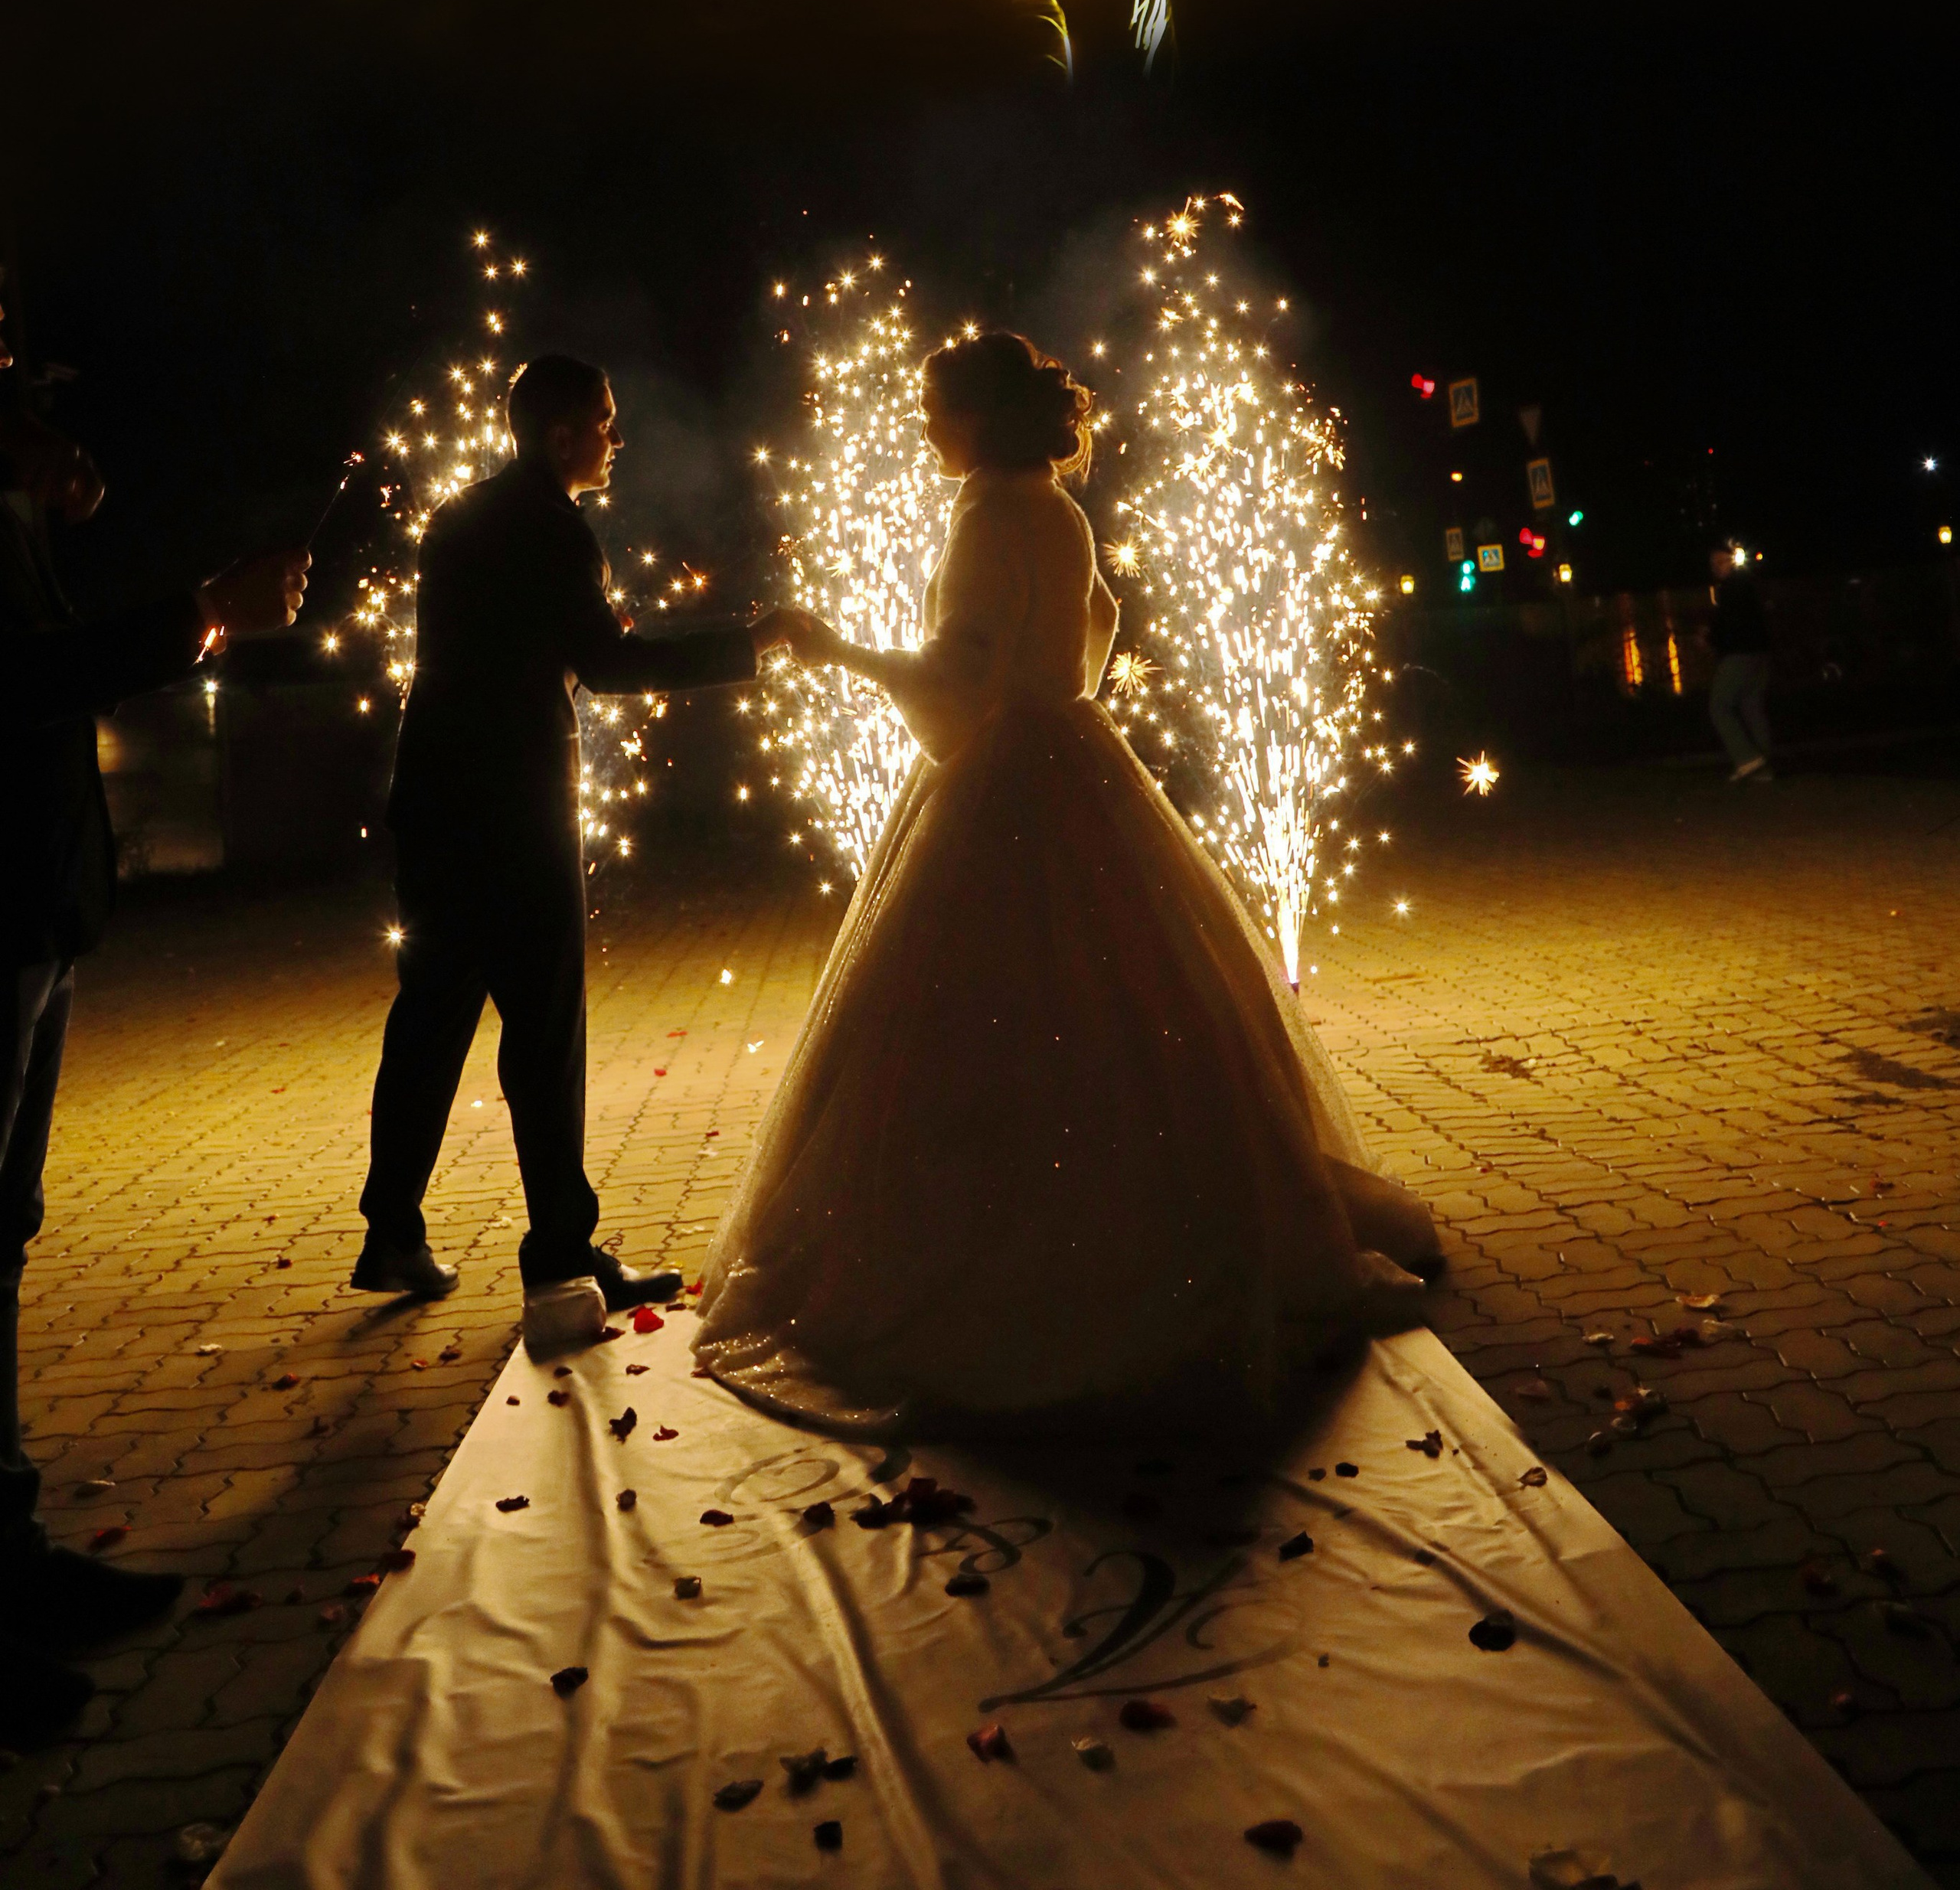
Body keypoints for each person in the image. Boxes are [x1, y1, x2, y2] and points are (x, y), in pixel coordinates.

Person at [694, 330, 1439, 1443]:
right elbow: (1097, 630)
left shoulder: (992, 513)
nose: (926, 428)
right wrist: (1051, 690)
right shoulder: (1057, 504)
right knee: (1139, 1012)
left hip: (1003, 786)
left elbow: (960, 681)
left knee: (985, 1021)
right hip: (1080, 760)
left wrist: (836, 651)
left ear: (981, 418)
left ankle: (1029, 1273)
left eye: (938, 410)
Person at [0, 287, 309, 1748]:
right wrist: (199, 613)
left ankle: (8, 1565)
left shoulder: (17, 511)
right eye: (17, 380)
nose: (48, 404)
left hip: (36, 916)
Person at [357, 354, 795, 1356]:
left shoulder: (458, 517)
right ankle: (561, 1249)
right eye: (603, 420)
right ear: (561, 435)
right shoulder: (556, 531)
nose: (616, 437)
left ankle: (393, 1230)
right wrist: (751, 642)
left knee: (428, 1017)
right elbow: (606, 664)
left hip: (433, 804)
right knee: (544, 1035)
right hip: (515, 816)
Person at [1707, 544, 1775, 782]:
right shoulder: (1748, 584)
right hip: (1759, 652)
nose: (1717, 568)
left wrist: (1709, 637)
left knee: (1719, 707)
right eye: (1714, 564)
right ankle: (1763, 766)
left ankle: (1748, 758)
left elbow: (1727, 623)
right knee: (1751, 706)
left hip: (1740, 654)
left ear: (1732, 561)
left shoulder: (1731, 588)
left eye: (1721, 562)